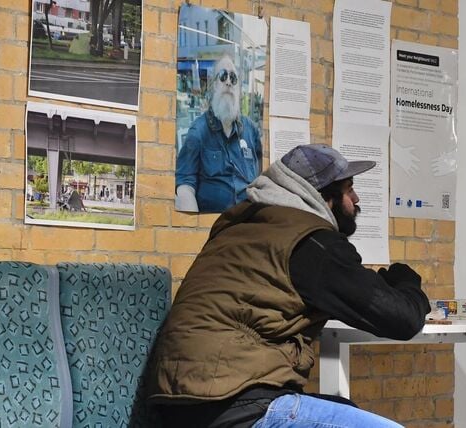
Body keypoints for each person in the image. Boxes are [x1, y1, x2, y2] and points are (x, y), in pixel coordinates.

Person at [147, 144, 431, 427]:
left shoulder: (247, 226)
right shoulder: (311, 242)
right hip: (236, 403)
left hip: (180, 400)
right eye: (348, 189)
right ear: (325, 197)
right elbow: (402, 320)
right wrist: (408, 281)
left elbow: (337, 285)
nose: (356, 200)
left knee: (344, 407)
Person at [175, 55, 262, 213]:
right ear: (214, 85)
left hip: (249, 223)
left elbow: (261, 178)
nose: (228, 82)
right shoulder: (198, 132)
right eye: (223, 76)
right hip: (216, 226)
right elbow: (184, 187)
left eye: (233, 78)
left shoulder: (251, 131)